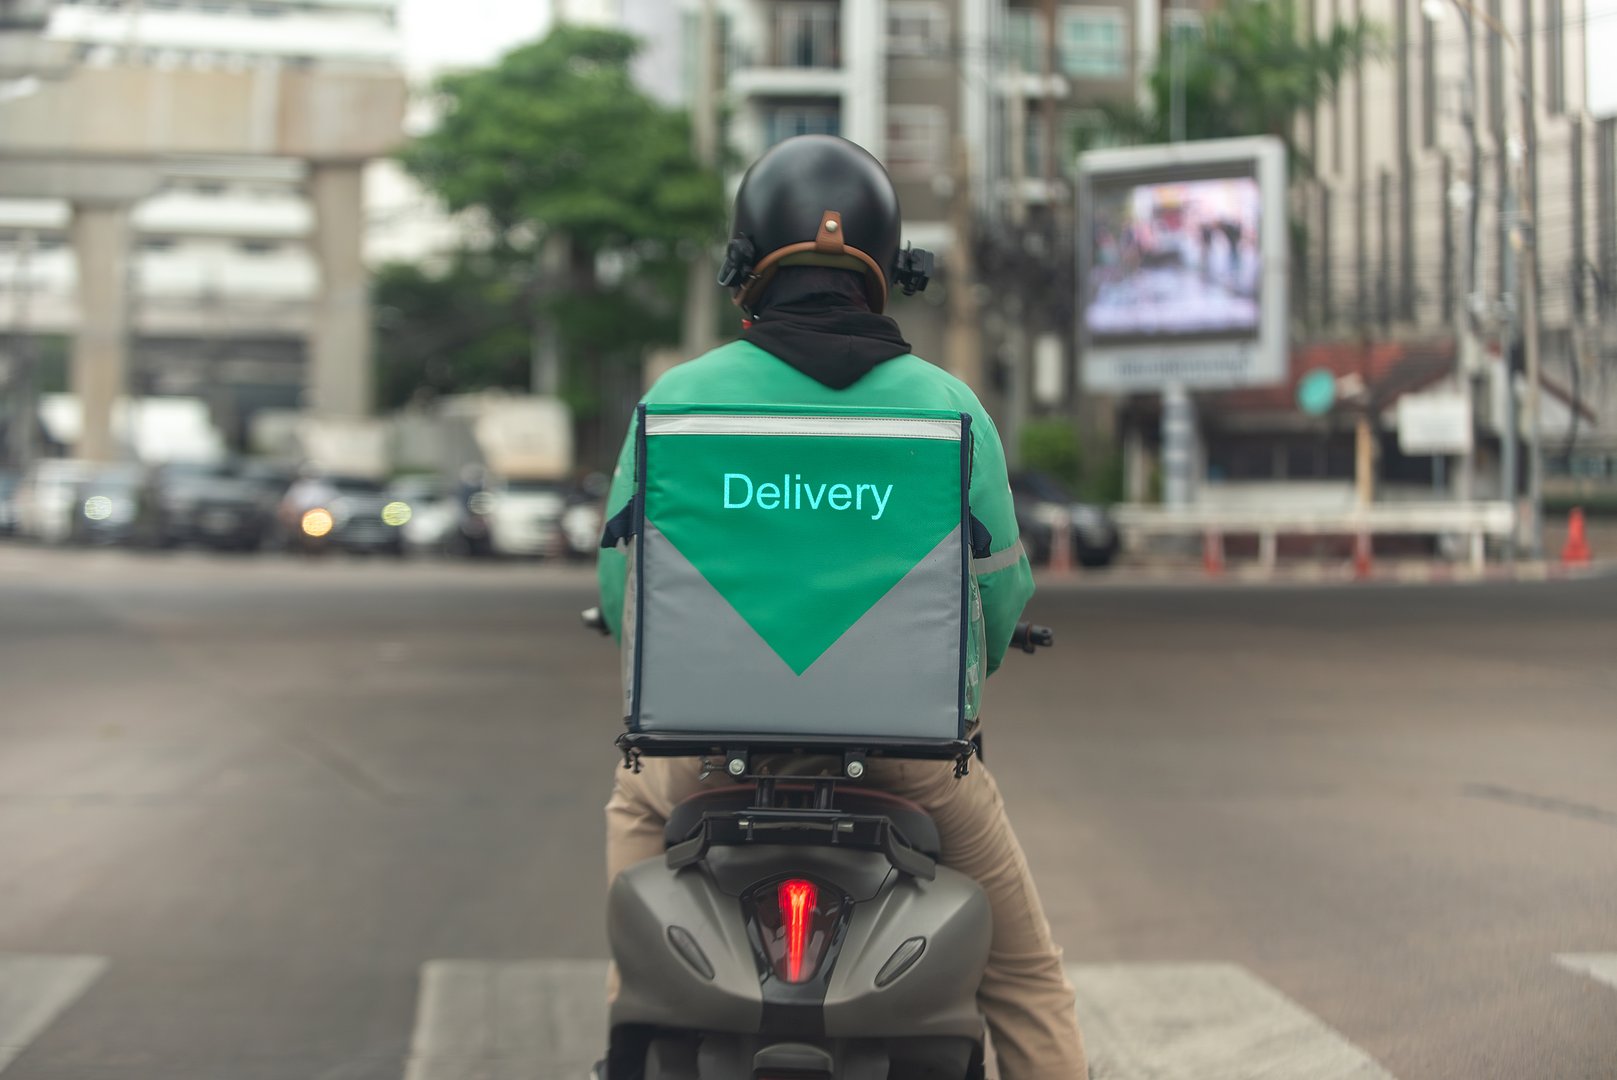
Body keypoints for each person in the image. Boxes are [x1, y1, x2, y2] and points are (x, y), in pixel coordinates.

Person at [596, 135, 1088, 1080]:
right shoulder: (949, 407)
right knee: (1023, 973)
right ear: (885, 267)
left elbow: (626, 595)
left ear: (745, 263)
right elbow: (997, 597)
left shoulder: (676, 401)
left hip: (702, 765)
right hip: (912, 769)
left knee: (635, 827)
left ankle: (634, 1017)